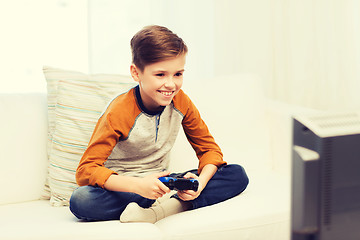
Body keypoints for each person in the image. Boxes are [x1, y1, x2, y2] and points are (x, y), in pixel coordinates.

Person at [69, 25, 249, 223]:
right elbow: (86, 170)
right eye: (160, 74)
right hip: (128, 187)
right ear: (136, 73)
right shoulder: (118, 111)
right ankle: (162, 203)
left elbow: (210, 151)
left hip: (164, 184)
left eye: (178, 74)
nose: (171, 84)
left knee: (236, 174)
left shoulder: (182, 102)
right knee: (82, 200)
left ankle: (163, 209)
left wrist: (199, 183)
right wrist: (138, 186)